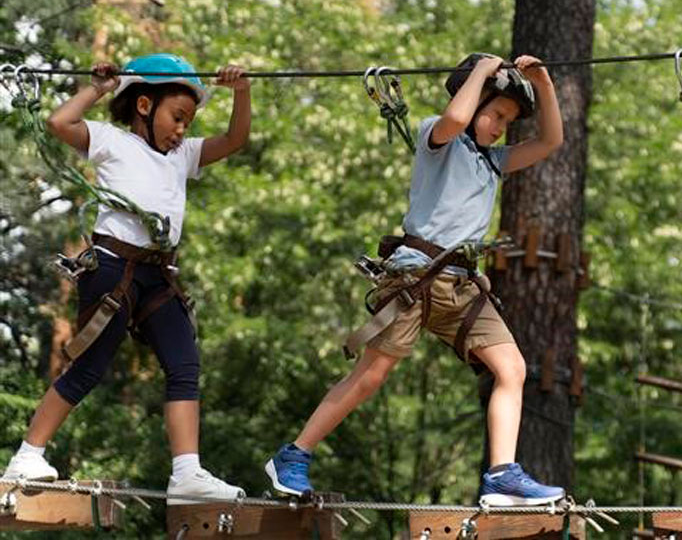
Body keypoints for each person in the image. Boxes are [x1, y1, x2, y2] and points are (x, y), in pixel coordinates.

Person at [266, 53, 567, 506]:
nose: (502, 126)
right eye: (497, 113)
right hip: (415, 277)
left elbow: (550, 141)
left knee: (512, 369)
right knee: (371, 375)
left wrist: (543, 82)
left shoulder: (494, 161)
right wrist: (485, 70)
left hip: (463, 287)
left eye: (508, 120)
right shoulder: (437, 136)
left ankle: (502, 474)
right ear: (476, 96)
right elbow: (456, 117)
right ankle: (293, 456)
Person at [1, 54, 251, 504]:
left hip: (158, 275)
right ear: (143, 106)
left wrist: (242, 91)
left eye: (188, 121)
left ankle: (187, 473)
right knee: (89, 367)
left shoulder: (184, 156)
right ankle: (27, 455)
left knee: (185, 365)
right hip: (113, 269)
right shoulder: (113, 141)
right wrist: (98, 87)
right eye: (177, 117)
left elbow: (236, 138)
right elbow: (60, 122)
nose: (182, 129)